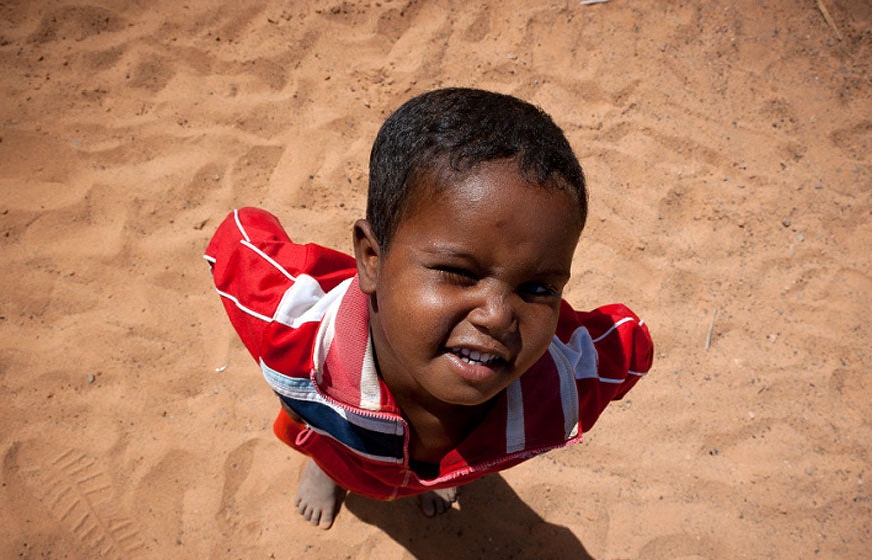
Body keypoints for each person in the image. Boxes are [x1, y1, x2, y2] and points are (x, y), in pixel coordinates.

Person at [205, 87, 652, 529]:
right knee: (320, 432)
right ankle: (327, 470)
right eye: (460, 272)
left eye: (537, 288)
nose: (497, 315)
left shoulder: (564, 390)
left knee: (449, 467)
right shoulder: (295, 335)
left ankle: (438, 474)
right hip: (335, 437)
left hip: (464, 459)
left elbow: (631, 346)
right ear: (371, 260)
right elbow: (240, 238)